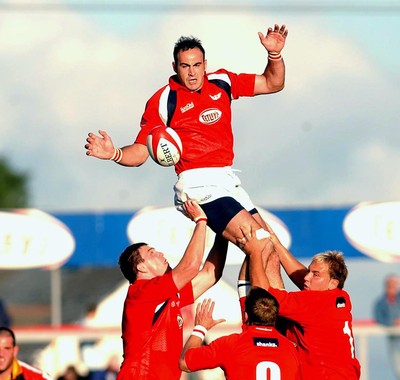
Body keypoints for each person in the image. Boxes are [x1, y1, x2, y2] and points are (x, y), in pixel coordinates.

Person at [85, 24, 288, 255]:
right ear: (175, 67)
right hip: (197, 184)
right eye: (185, 66)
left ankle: (265, 294)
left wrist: (275, 55)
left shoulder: (222, 82)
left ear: (205, 65)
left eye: (197, 65)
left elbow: (273, 83)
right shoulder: (163, 99)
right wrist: (115, 153)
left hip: (227, 179)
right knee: (258, 242)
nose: (192, 73)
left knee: (270, 250)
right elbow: (142, 151)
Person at [116, 199, 228, 380]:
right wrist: (201, 221)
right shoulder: (142, 292)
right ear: (141, 268)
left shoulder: (165, 295)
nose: (160, 253)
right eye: (152, 253)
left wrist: (222, 232)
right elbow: (190, 267)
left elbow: (209, 275)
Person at [239, 224, 361, 380]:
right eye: (309, 271)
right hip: (345, 375)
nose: (306, 277)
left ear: (333, 283)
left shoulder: (314, 304)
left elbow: (262, 295)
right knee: (272, 259)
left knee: (263, 287)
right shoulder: (341, 298)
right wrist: (276, 244)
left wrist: (255, 253)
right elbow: (304, 278)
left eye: (315, 274)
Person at [179, 288, 301, 379]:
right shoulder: (291, 348)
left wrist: (200, 328)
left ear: (246, 315)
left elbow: (185, 362)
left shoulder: (231, 344)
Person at [374, 274, 400, 379]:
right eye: (390, 285)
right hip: (393, 339)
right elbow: (379, 318)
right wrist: (393, 322)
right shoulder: (381, 303)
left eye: (395, 285)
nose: (392, 287)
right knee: (398, 367)